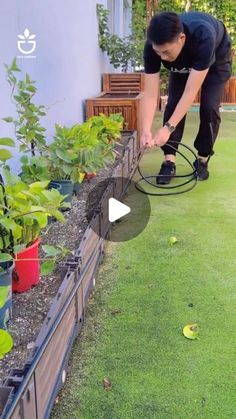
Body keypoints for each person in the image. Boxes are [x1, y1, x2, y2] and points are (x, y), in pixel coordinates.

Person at [141, 11, 232, 184]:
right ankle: (169, 161)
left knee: (209, 107)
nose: (162, 57)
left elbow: (191, 92)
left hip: (217, 59)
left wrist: (167, 128)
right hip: (183, 60)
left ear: (181, 38)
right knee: (173, 103)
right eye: (158, 52)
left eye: (166, 52)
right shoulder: (153, 47)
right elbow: (151, 93)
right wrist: (145, 129)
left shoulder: (204, 37)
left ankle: (202, 159)